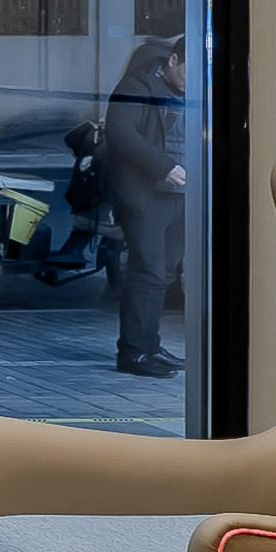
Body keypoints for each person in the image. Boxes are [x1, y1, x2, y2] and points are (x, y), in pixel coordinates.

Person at [90, 32, 190, 377]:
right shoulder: (137, 86)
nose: (192, 82)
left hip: (183, 196)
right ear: (172, 61)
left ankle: (151, 345)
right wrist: (164, 167)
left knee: (164, 273)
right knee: (147, 270)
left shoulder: (197, 93)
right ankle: (133, 353)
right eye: (188, 71)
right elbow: (122, 133)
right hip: (146, 195)